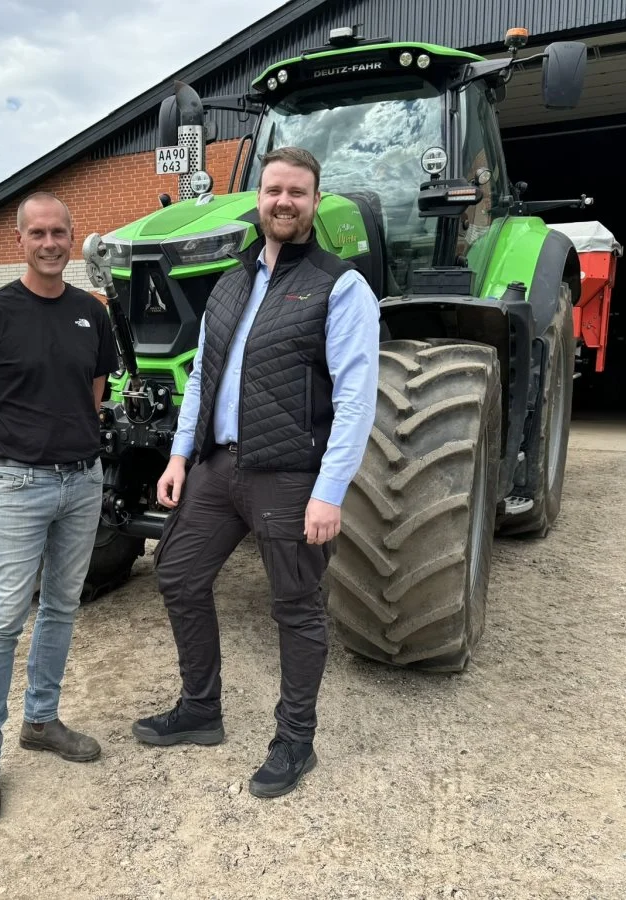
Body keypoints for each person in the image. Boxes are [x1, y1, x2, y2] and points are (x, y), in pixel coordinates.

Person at [131, 147, 380, 798]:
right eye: (274, 190)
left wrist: (330, 491)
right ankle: (200, 709)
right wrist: (181, 457)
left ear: (315, 203)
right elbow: (202, 381)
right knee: (179, 574)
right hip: (219, 467)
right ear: (258, 197)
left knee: (296, 609)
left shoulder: (340, 285)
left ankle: (295, 743)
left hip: (290, 474)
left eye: (298, 193)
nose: (284, 203)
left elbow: (356, 398)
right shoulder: (231, 282)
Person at [0, 191, 118, 823]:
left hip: (82, 484)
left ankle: (41, 722)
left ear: (73, 239)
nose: (50, 243)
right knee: (3, 618)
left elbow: (92, 393)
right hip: (20, 485)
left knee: (62, 609)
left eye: (60, 233)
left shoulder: (91, 313)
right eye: (38, 233)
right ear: (18, 241)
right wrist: (2, 474)